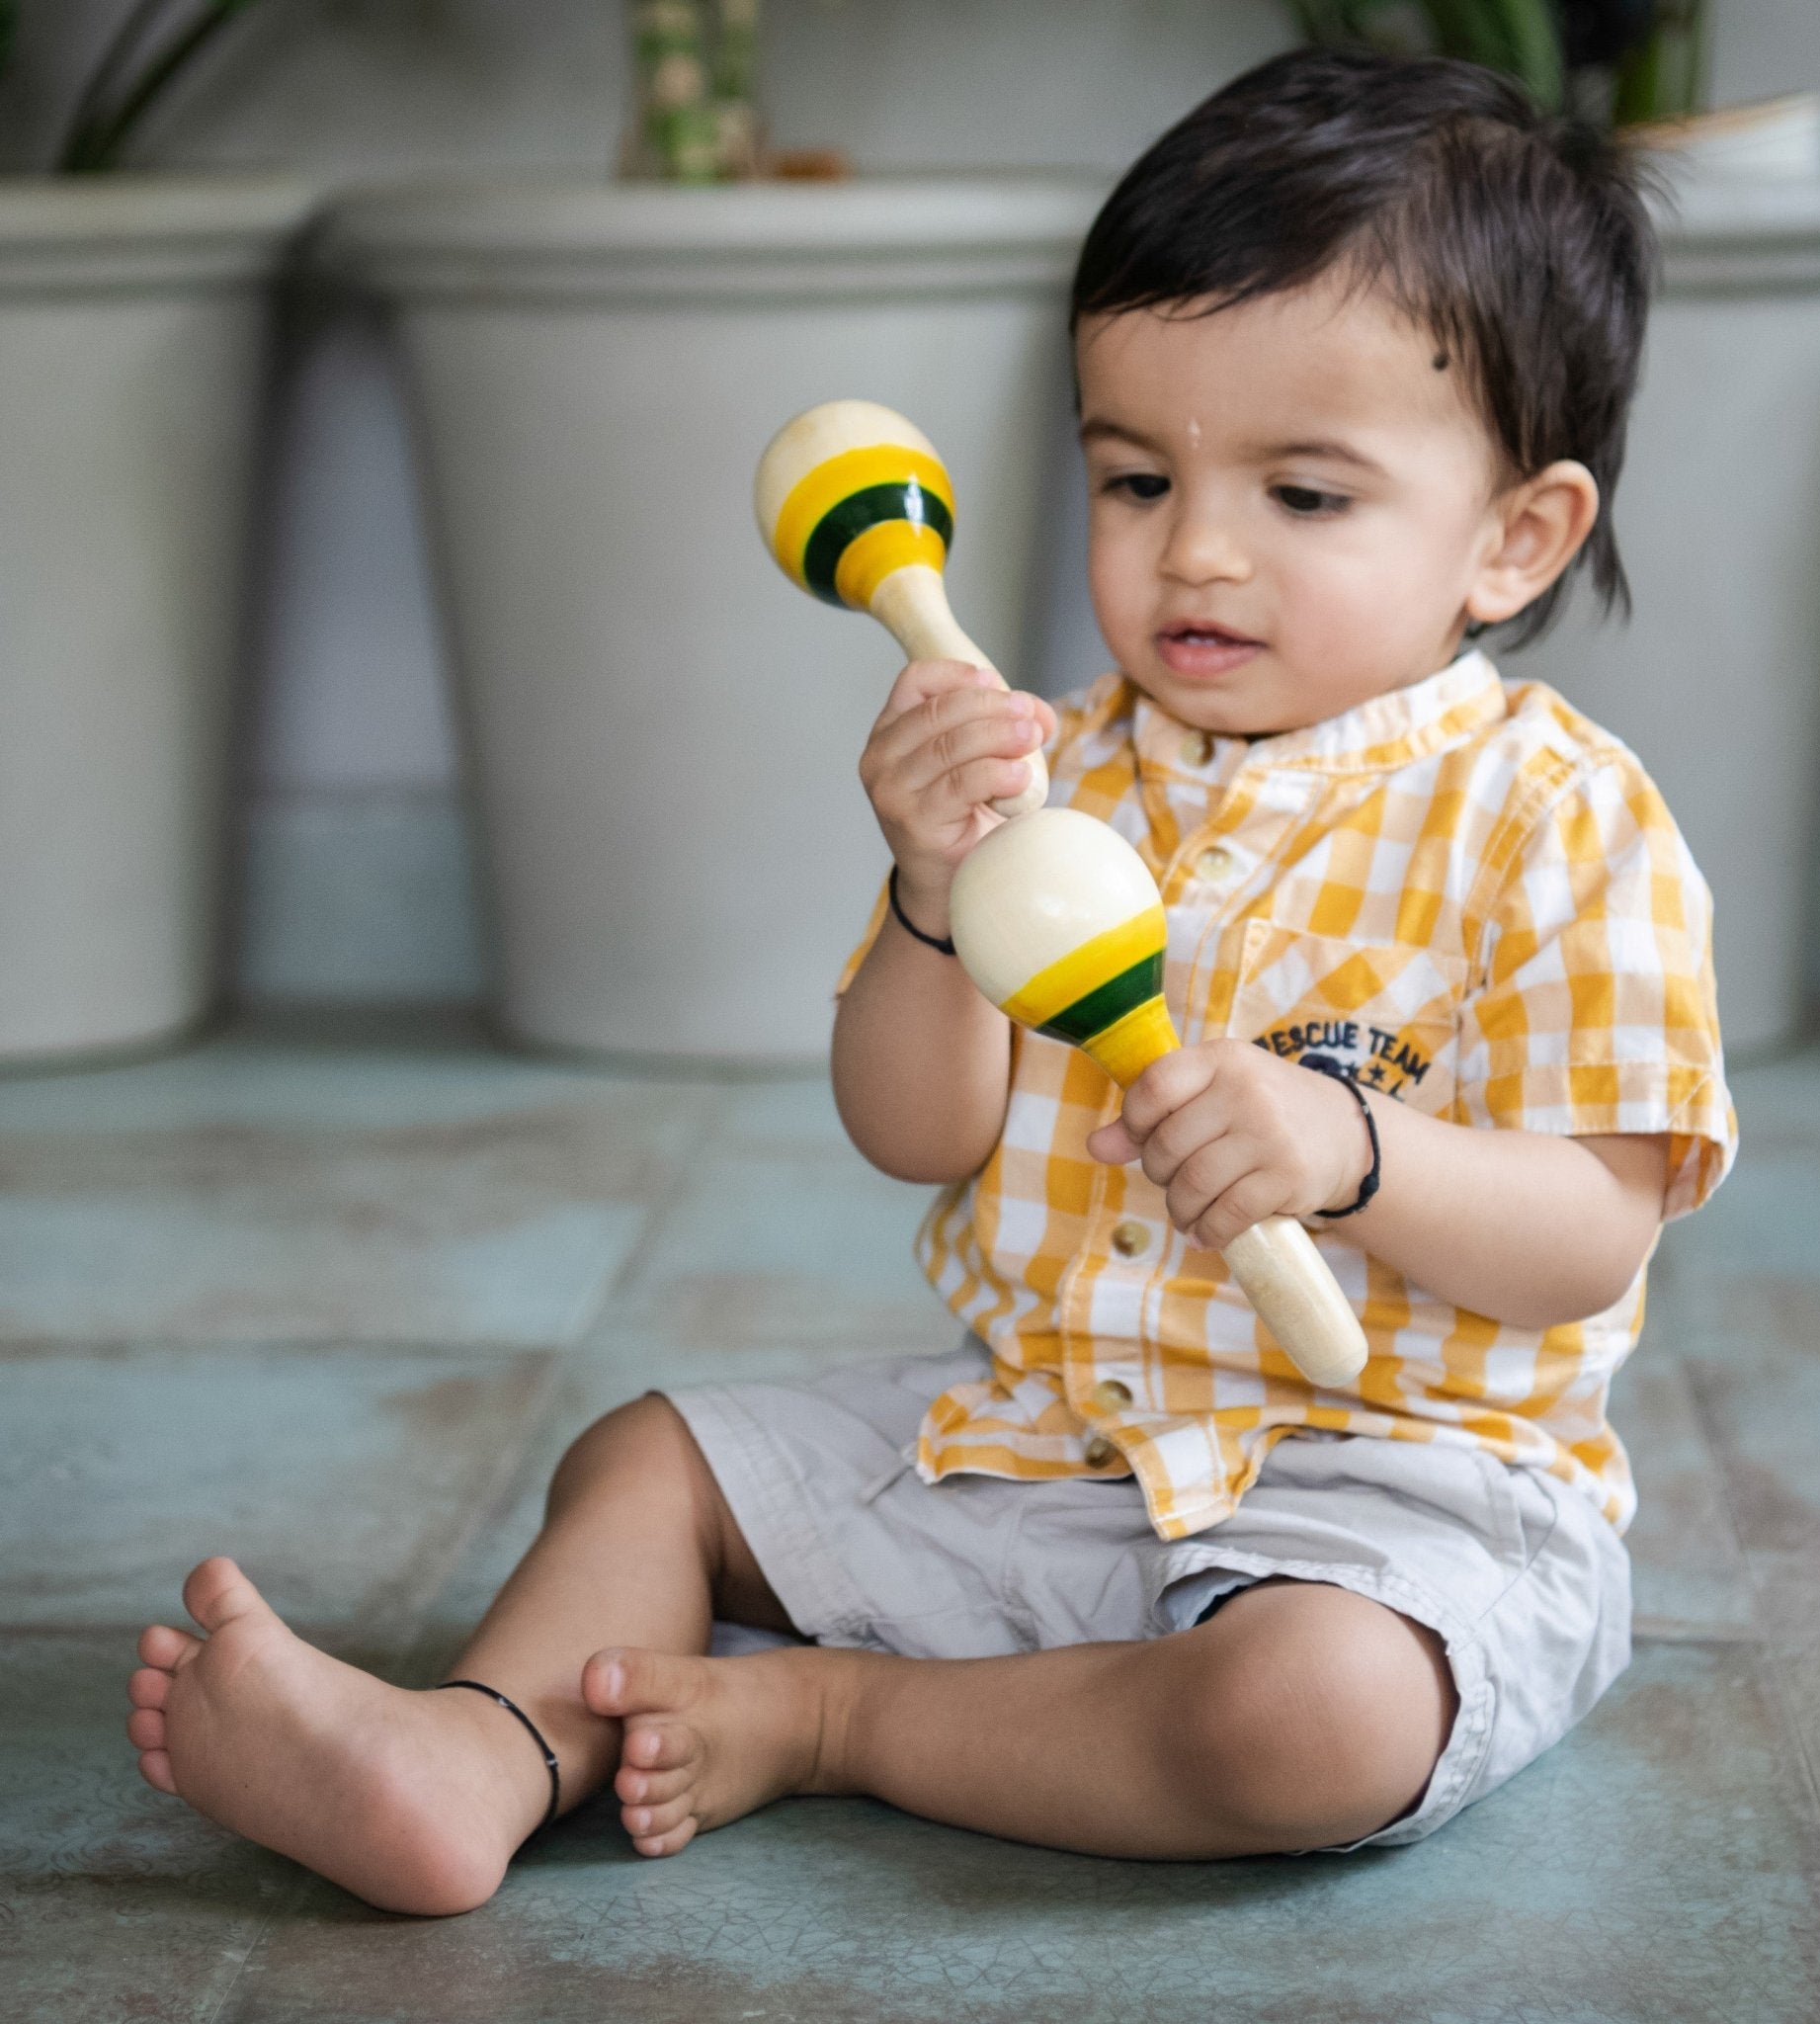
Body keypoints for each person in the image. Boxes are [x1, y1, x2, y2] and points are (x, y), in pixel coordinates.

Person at [123, 47, 1735, 1916]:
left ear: (1513, 537)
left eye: (1302, 493)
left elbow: (1592, 1234)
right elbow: (913, 1131)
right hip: (1046, 1436)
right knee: (647, 1460)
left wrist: (1356, 1149)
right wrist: (926, 891)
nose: (1193, 547)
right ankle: (475, 1753)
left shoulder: (1559, 821)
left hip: (1395, 1501)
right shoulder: (1052, 766)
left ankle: (836, 1721)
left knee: (1309, 1717)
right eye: (1136, 476)